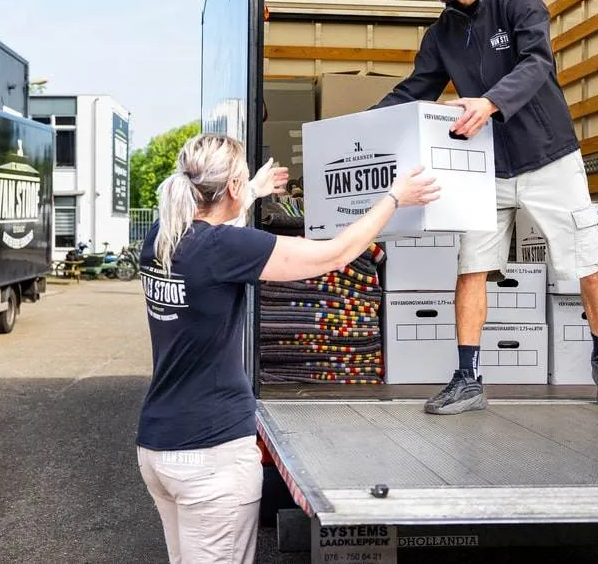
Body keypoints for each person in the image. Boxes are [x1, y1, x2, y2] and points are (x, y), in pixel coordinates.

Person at [136, 134, 438, 563]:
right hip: (211, 456)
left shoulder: (162, 236)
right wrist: (393, 197)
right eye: (241, 180)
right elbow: (336, 254)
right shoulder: (223, 249)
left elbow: (218, 232)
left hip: (158, 448)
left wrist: (252, 190)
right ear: (231, 188)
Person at [373, 0, 598, 415]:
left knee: (585, 262)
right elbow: (415, 90)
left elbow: (537, 64)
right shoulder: (441, 33)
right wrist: (356, 131)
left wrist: (491, 103)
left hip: (549, 156)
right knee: (472, 266)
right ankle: (468, 379)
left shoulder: (519, 1)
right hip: (486, 169)